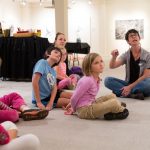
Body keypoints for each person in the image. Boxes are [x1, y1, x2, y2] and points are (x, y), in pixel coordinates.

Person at [64, 53, 129, 120]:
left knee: (112, 96)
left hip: (91, 103)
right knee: (114, 103)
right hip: (84, 110)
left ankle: (115, 108)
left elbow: (90, 96)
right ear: (89, 66)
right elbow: (74, 98)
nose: (101, 64)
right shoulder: (86, 80)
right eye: (96, 63)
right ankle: (116, 107)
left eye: (101, 61)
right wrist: (74, 109)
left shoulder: (96, 78)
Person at [104, 29, 150, 100]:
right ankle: (132, 94)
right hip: (128, 83)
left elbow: (146, 75)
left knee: (148, 83)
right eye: (131, 36)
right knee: (107, 80)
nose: (134, 37)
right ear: (128, 41)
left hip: (141, 83)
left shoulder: (147, 55)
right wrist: (114, 57)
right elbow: (112, 66)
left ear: (139, 38)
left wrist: (130, 87)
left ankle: (123, 92)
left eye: (136, 35)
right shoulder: (126, 55)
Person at [32, 46, 72, 111]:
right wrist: (39, 102)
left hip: (51, 95)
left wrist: (51, 102)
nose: (58, 55)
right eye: (56, 52)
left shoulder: (53, 70)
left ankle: (90, 100)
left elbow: (54, 88)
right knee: (69, 102)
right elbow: (35, 81)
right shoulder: (42, 62)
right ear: (48, 53)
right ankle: (88, 104)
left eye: (59, 56)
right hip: (43, 99)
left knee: (73, 96)